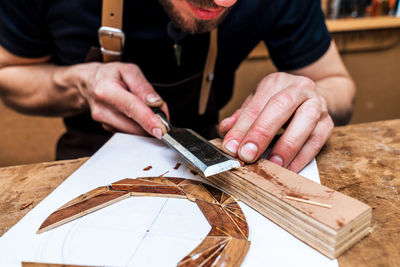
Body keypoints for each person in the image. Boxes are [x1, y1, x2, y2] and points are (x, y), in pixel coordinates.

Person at [0, 0, 355, 173]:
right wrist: (79, 83)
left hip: (216, 161)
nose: (223, 0)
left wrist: (313, 94)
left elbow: (338, 83)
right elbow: (9, 73)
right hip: (87, 162)